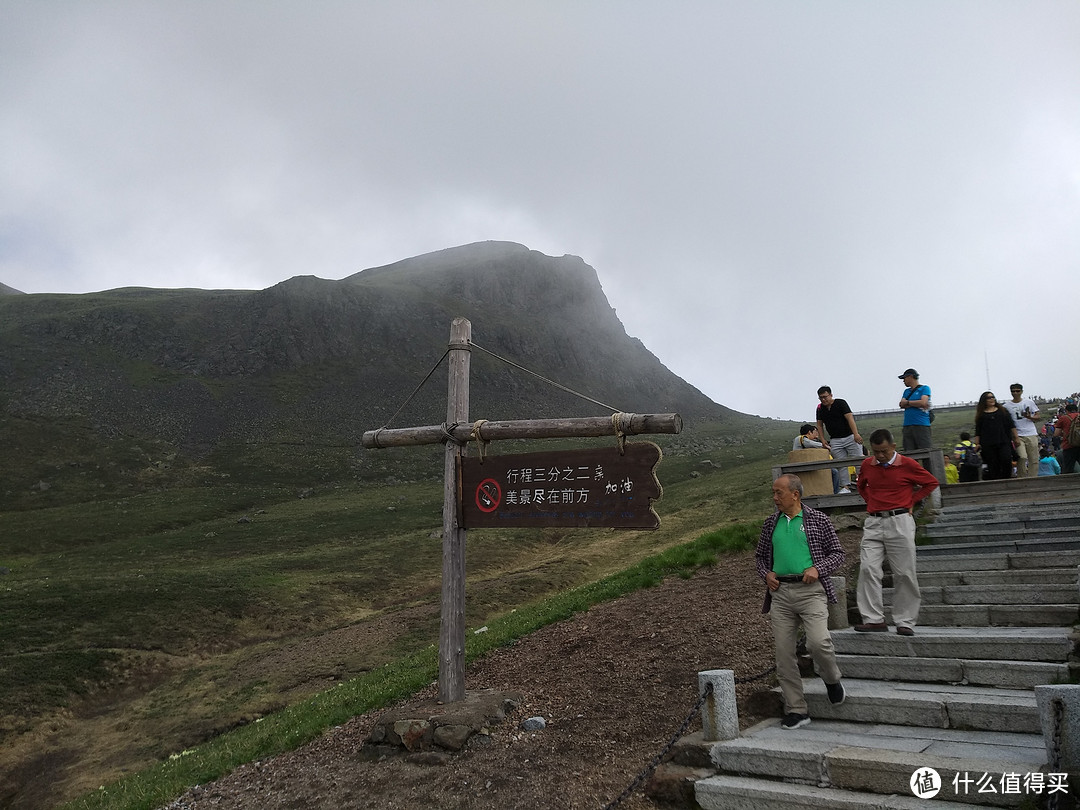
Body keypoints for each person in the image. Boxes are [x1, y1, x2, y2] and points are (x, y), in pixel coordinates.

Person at [754, 474, 847, 729]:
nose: (774, 498)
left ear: (795, 494)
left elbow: (838, 553)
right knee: (784, 655)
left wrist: (818, 568)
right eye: (773, 493)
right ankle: (797, 709)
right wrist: (767, 574)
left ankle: (831, 678)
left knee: (819, 643)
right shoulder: (770, 523)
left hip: (811, 592)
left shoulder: (818, 520)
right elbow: (760, 558)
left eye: (779, 493)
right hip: (781, 595)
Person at [854, 428, 940, 636]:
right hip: (874, 522)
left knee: (904, 572)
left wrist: (912, 500)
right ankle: (874, 619)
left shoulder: (908, 464)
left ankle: (905, 620)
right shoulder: (868, 465)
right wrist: (871, 501)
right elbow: (861, 485)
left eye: (884, 451)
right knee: (868, 569)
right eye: (876, 452)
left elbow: (931, 482)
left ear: (893, 446)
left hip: (900, 521)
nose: (880, 456)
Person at [815, 386, 863, 494]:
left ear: (831, 395)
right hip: (835, 439)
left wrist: (856, 434)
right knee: (841, 464)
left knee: (859, 460)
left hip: (849, 436)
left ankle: (864, 483)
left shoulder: (841, 403)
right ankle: (846, 487)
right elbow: (819, 425)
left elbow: (850, 418)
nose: (823, 400)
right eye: (820, 398)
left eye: (825, 397)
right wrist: (822, 439)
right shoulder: (820, 408)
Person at [974, 392, 1019, 481]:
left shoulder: (1002, 411)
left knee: (1006, 459)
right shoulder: (981, 415)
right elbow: (978, 431)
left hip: (1003, 440)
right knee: (993, 463)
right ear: (984, 400)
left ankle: (1007, 478)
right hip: (988, 443)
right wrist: (977, 444)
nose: (992, 399)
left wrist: (1016, 437)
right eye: (989, 398)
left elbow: (1011, 425)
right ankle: (996, 482)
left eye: (993, 397)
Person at [1002, 384, 1041, 478]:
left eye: (1017, 391)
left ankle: (1033, 478)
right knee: (1022, 457)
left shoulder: (1029, 402)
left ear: (1021, 391)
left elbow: (1038, 416)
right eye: (1013, 391)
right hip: (1017, 435)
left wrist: (1030, 417)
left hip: (1031, 433)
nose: (1015, 393)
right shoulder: (1006, 406)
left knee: (1034, 458)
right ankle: (1022, 477)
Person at [793, 423, 841, 492]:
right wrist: (826, 445)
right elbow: (811, 444)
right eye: (815, 432)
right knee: (834, 472)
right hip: (803, 465)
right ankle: (835, 492)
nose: (817, 434)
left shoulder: (803, 440)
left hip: (806, 464)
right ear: (809, 432)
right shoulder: (801, 438)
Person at [898, 369, 932, 451]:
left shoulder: (924, 388)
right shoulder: (906, 391)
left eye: (904, 378)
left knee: (926, 451)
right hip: (907, 426)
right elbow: (901, 404)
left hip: (921, 425)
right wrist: (916, 403)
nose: (903, 381)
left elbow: (923, 402)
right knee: (909, 453)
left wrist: (908, 403)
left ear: (910, 377)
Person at [1055, 403, 1080, 474]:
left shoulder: (1063, 418)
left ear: (1066, 411)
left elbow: (1056, 434)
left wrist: (1066, 434)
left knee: (1068, 469)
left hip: (1069, 446)